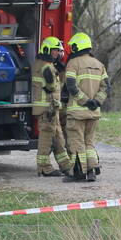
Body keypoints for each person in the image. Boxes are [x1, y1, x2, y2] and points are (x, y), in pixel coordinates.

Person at [63, 32, 109, 182]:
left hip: (77, 112)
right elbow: (106, 87)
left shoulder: (73, 63)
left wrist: (85, 101)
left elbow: (71, 86)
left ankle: (77, 173)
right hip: (94, 113)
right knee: (89, 142)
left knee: (76, 143)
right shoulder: (99, 64)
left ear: (76, 47)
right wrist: (96, 102)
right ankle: (91, 172)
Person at [33, 36, 72, 177]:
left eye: (58, 51)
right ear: (47, 50)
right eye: (55, 51)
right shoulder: (46, 66)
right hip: (47, 108)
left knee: (59, 138)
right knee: (46, 138)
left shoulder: (42, 63)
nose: (57, 54)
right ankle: (44, 167)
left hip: (51, 108)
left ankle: (66, 166)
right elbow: (50, 87)